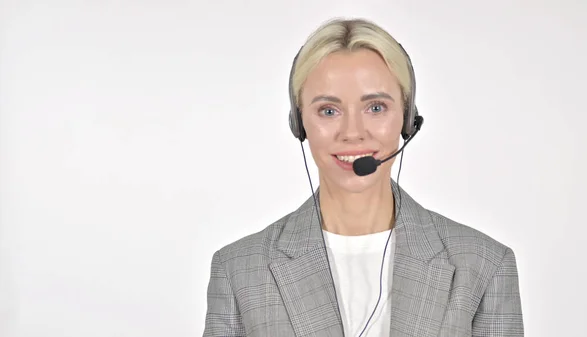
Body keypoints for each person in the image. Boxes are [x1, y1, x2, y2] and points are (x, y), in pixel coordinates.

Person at [203, 18, 524, 337]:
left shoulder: (484, 266)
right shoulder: (239, 271)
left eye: (375, 107)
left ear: (407, 118)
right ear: (299, 124)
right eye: (329, 110)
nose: (353, 133)